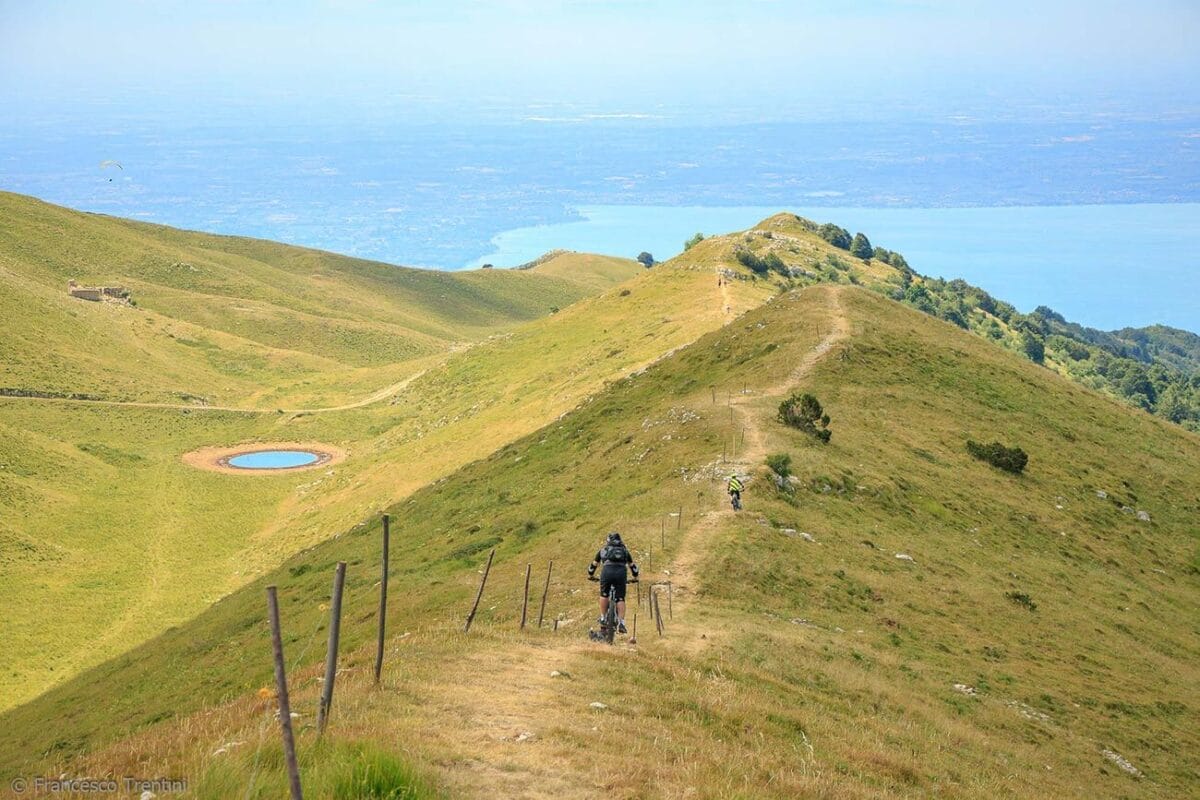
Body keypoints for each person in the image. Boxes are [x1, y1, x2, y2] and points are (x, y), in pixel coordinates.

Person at [587, 532, 639, 634]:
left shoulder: (603, 550)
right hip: (621, 573)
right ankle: (621, 623)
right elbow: (633, 567)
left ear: (608, 541)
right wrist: (635, 577)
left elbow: (593, 566)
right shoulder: (625, 551)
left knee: (604, 594)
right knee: (620, 598)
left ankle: (603, 617)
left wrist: (591, 575)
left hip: (607, 572)